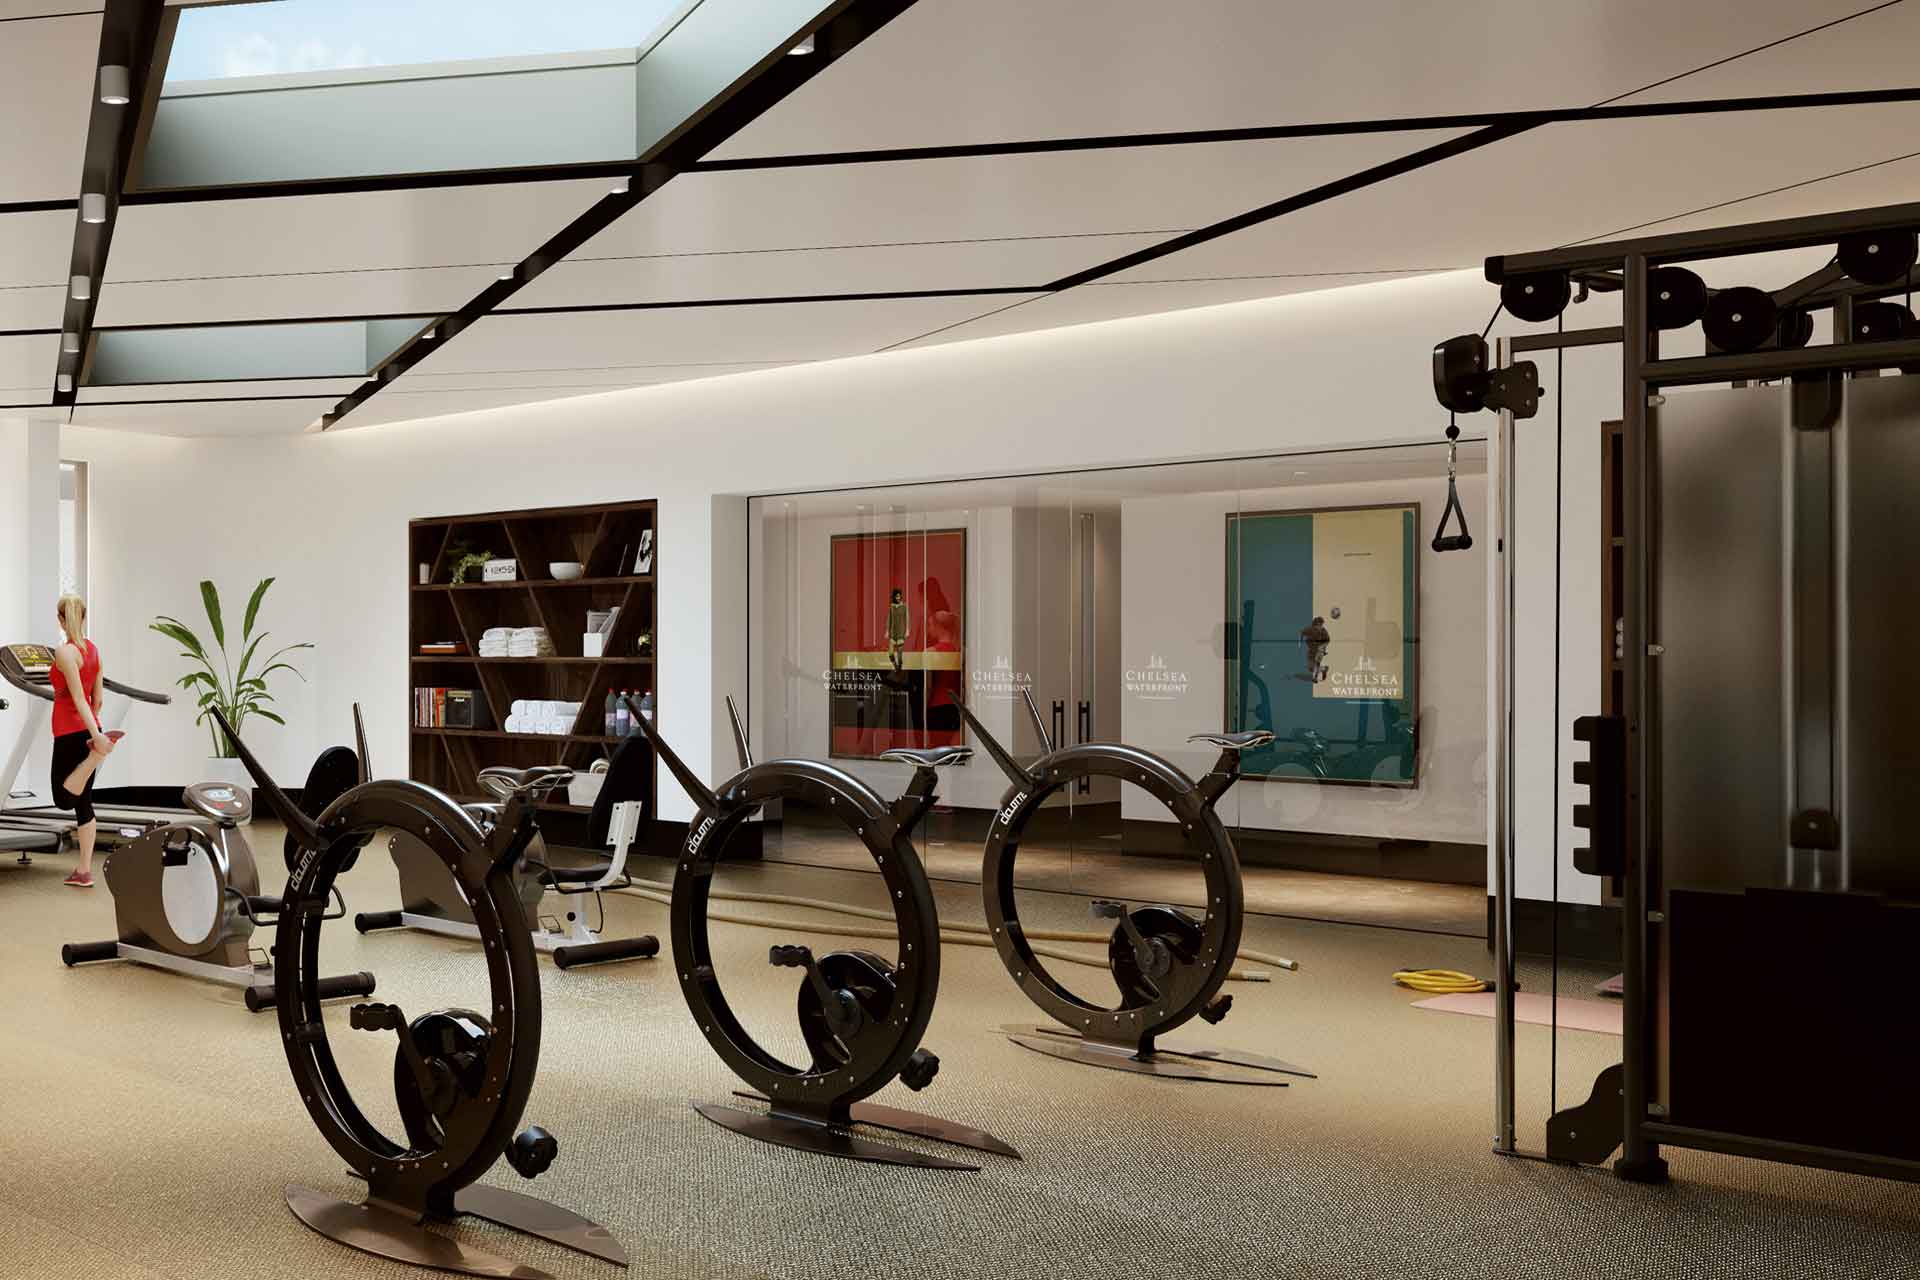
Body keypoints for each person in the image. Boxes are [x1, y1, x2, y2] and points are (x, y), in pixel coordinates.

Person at [48, 595, 118, 887]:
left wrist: (96, 740)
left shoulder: (64, 653)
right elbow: (96, 699)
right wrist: (96, 729)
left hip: (69, 732)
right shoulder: (93, 651)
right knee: (84, 803)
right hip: (90, 728)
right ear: (84, 618)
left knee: (62, 799)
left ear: (61, 620)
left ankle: (94, 756)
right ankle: (84, 871)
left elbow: (78, 699)